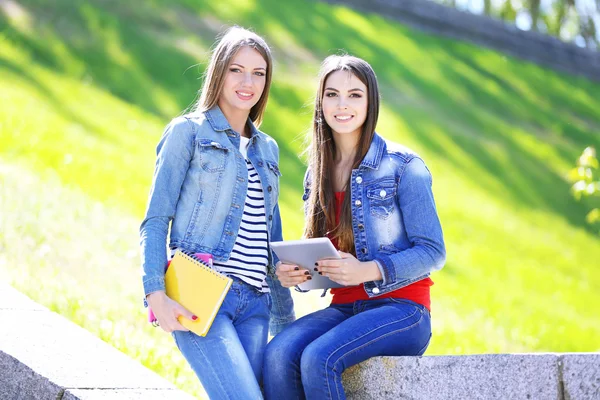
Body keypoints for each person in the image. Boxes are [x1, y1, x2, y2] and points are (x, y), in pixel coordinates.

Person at [263, 55, 446, 400]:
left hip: (403, 309)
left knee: (319, 358)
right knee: (277, 354)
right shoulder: (316, 172)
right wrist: (299, 274)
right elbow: (327, 254)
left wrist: (366, 270)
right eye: (331, 95)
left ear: (370, 101)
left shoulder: (404, 166)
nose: (342, 105)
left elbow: (433, 251)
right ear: (320, 102)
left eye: (354, 95)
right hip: (344, 308)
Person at [140, 26, 295, 399]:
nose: (248, 82)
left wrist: (286, 321)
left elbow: (270, 238)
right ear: (219, 72)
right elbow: (155, 219)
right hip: (201, 295)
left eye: (259, 73)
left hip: (256, 303)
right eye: (236, 70)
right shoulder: (187, 133)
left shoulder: (267, 149)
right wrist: (154, 294)